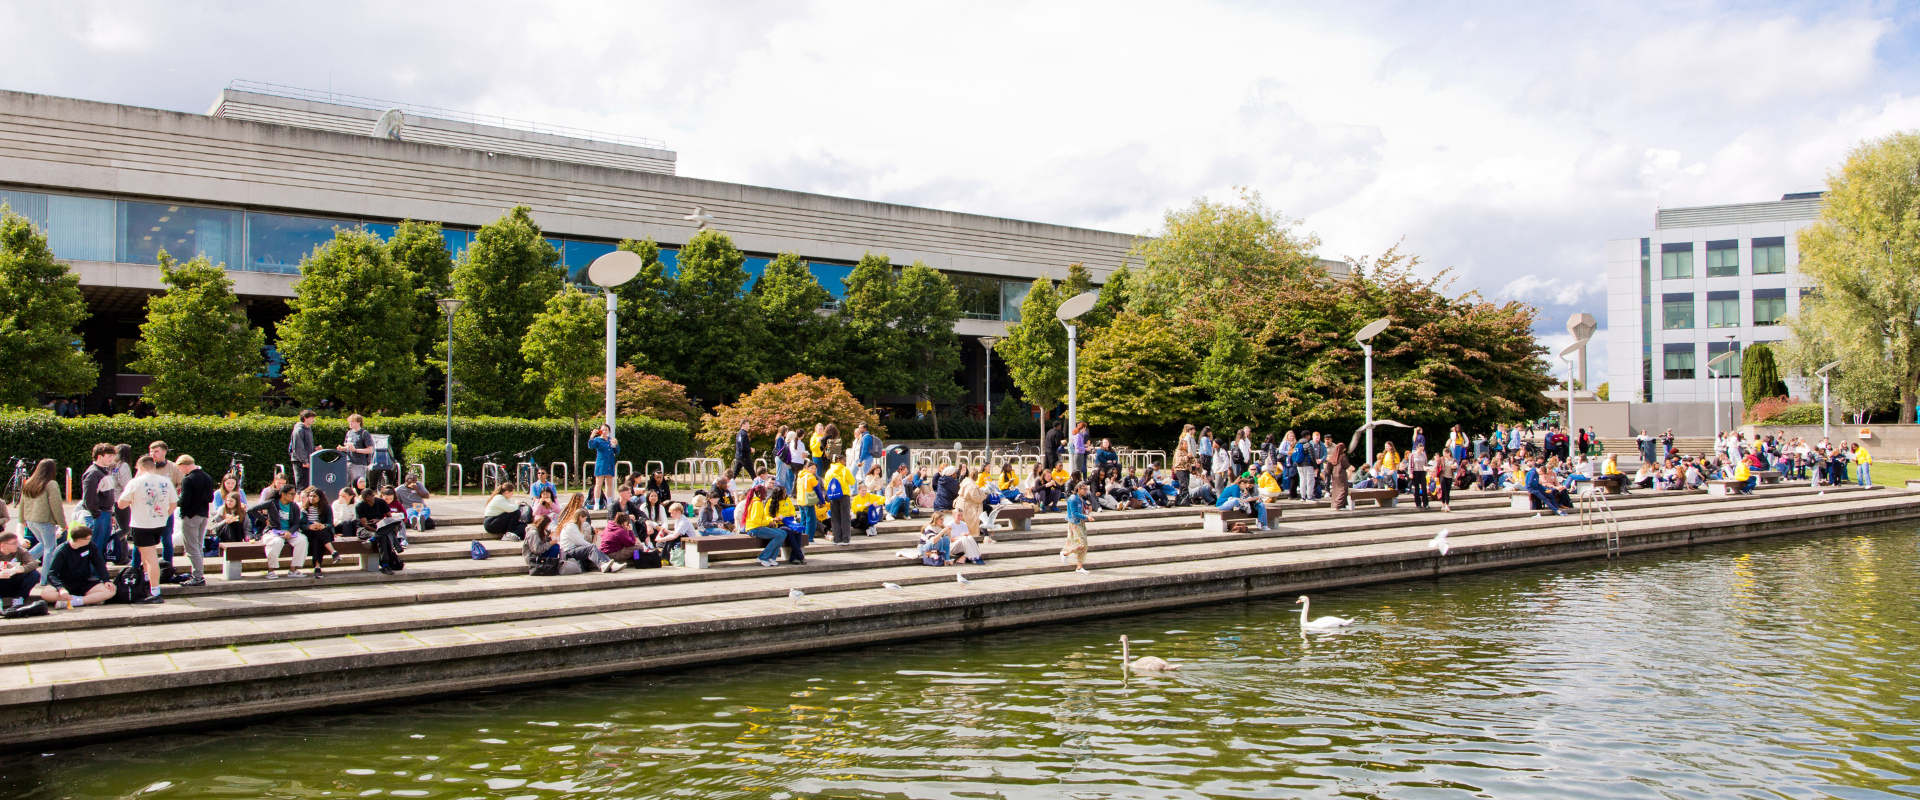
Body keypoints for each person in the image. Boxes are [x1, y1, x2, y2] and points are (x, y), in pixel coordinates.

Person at [116, 455, 175, 602]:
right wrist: (164, 516)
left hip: (142, 524)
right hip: (159, 523)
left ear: (140, 468)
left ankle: (155, 592)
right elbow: (173, 504)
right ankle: (147, 582)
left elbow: (121, 504)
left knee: (150, 558)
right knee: (146, 556)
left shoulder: (135, 482)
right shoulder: (166, 481)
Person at [33, 523, 113, 611]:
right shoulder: (61, 551)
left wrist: (106, 580)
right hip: (65, 582)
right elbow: (52, 574)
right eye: (89, 538)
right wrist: (61, 588)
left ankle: (75, 601)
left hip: (84, 581)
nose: (90, 540)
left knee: (111, 590)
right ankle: (88, 599)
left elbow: (99, 563)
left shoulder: (90, 546)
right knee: (46, 594)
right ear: (80, 541)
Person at [175, 455, 214, 586]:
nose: (180, 471)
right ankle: (198, 574)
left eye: (180, 469)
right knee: (198, 546)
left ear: (183, 466)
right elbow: (210, 498)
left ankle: (198, 577)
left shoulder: (188, 479)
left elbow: (184, 501)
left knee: (191, 548)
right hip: (203, 515)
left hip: (190, 516)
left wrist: (175, 501)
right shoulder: (207, 477)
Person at [78, 443, 119, 562]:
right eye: (108, 455)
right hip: (98, 515)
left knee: (100, 548)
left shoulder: (103, 471)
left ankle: (98, 575)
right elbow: (89, 497)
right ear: (99, 456)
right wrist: (97, 514)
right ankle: (92, 575)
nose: (111, 458)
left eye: (112, 455)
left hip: (104, 514)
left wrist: (111, 514)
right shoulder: (94, 473)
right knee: (95, 547)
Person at [18, 458, 64, 564]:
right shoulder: (51, 484)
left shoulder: (29, 483)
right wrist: (62, 524)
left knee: (44, 544)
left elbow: (22, 504)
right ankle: (45, 579)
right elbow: (56, 506)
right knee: (49, 549)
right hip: (44, 522)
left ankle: (18, 561)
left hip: (30, 522)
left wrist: (22, 521)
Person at [296, 486, 335, 577]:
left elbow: (330, 524)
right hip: (309, 532)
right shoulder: (304, 509)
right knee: (317, 533)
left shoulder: (326, 508)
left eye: (314, 496)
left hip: (323, 532)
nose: (311, 498)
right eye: (310, 496)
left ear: (320, 497)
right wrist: (309, 527)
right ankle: (333, 552)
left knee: (317, 538)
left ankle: (317, 567)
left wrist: (323, 525)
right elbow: (301, 525)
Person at [0, 532, 43, 614]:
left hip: (15, 582)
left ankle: (19, 597)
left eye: (17, 542)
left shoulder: (20, 551)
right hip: (1, 583)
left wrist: (23, 569)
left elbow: (33, 563)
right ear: (3, 545)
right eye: (13, 543)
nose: (17, 545)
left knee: (34, 574)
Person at [824, 455, 856, 545]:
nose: (845, 462)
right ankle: (846, 539)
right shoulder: (845, 470)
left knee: (835, 517)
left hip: (833, 496)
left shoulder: (829, 471)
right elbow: (852, 481)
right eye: (844, 460)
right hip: (844, 495)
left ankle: (836, 539)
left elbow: (826, 485)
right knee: (845, 517)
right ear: (839, 461)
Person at [1062, 480, 1092, 573]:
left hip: (1081, 522)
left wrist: (1088, 509)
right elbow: (1074, 513)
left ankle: (1079, 567)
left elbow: (1082, 509)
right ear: (1078, 489)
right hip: (1074, 523)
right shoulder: (1073, 499)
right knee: (1081, 544)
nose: (1085, 491)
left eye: (1086, 489)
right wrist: (1086, 516)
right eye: (1084, 489)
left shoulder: (1081, 498)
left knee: (1085, 545)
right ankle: (1065, 553)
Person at [588, 425, 619, 510]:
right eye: (603, 430)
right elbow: (591, 446)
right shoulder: (598, 440)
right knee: (598, 484)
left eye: (606, 430)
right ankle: (596, 503)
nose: (604, 432)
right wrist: (592, 436)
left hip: (610, 463)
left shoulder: (610, 440)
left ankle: (609, 502)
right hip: (601, 463)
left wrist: (616, 444)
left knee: (609, 484)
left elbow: (617, 451)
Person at [340, 414, 374, 488]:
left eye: (352, 421)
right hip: (348, 463)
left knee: (358, 487)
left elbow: (370, 450)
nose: (350, 423)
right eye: (349, 422)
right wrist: (343, 449)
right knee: (344, 486)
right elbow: (349, 448)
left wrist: (355, 450)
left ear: (359, 422)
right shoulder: (349, 433)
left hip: (359, 464)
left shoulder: (364, 433)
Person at [289, 409, 318, 489]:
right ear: (305, 418)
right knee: (302, 486)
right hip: (300, 462)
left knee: (307, 486)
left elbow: (306, 446)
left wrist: (315, 448)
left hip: (306, 461)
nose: (313, 419)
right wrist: (304, 461)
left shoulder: (308, 430)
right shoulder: (299, 430)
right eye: (311, 417)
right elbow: (299, 447)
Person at [1326, 443, 1351, 510]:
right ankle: (1340, 505)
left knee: (1336, 490)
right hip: (1341, 475)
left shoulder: (1332, 457)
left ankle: (1338, 505)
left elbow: (1328, 469)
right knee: (1343, 489)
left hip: (1334, 475)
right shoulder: (1342, 457)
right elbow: (1346, 466)